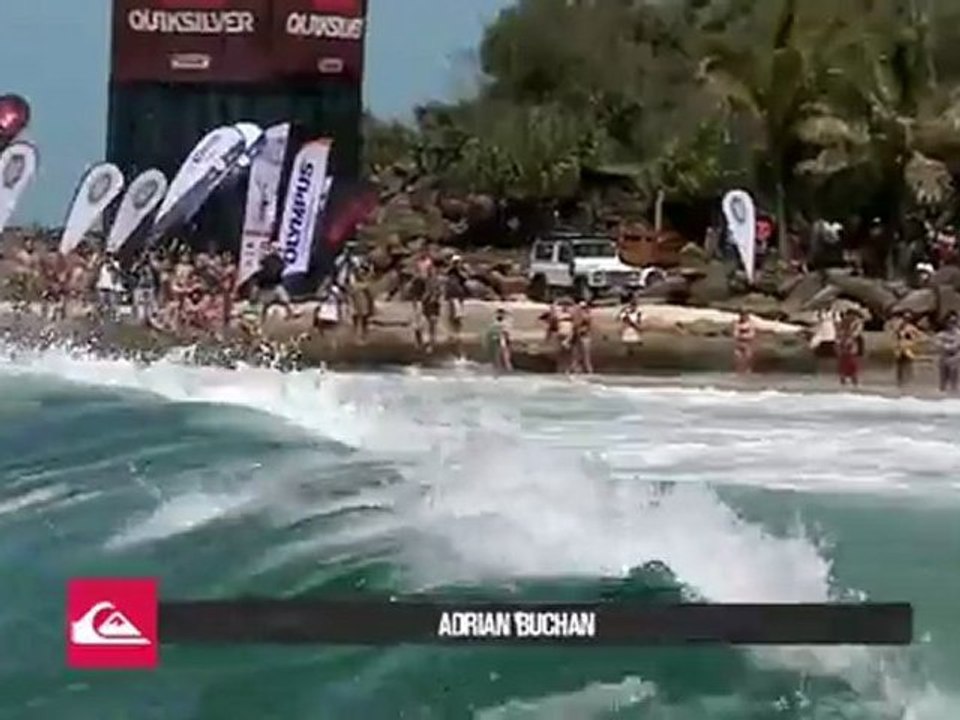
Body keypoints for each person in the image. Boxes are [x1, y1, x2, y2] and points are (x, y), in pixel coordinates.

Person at [254, 245, 293, 322]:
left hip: (273, 285)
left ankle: (290, 313)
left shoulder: (276, 260)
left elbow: (282, 267)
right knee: (265, 305)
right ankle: (261, 319)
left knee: (284, 301)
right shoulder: (269, 260)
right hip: (267, 286)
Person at [892, 312, 923, 388]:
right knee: (899, 366)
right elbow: (895, 337)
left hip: (908, 348)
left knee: (908, 364)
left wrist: (913, 340)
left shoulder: (911, 328)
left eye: (908, 318)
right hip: (900, 348)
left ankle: (909, 381)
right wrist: (895, 345)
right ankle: (900, 382)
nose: (906, 320)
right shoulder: (899, 327)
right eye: (905, 318)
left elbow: (920, 335)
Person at [836, 309, 864, 387]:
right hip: (845, 342)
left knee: (850, 360)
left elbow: (857, 332)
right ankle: (846, 379)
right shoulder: (843, 322)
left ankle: (852, 379)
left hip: (850, 342)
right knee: (845, 360)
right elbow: (839, 332)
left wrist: (849, 337)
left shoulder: (856, 322)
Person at [935, 312, 960, 393]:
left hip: (955, 359)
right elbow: (938, 344)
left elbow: (955, 346)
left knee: (954, 383)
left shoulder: (958, 334)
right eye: (950, 322)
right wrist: (946, 346)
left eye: (954, 322)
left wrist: (947, 346)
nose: (952, 324)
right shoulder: (941, 334)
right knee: (943, 382)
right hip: (943, 358)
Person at [486, 307, 513, 372]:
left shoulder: (502, 322)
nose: (499, 315)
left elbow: (506, 331)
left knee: (504, 354)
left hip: (502, 338)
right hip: (500, 339)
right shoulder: (499, 323)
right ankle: (503, 367)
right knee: (501, 354)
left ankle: (504, 367)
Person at [732, 310, 757, 374]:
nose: (743, 317)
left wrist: (745, 336)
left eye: (744, 316)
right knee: (738, 358)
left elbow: (752, 334)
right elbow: (735, 333)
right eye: (742, 316)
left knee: (748, 358)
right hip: (739, 342)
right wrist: (739, 336)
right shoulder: (737, 323)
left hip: (748, 343)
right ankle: (739, 370)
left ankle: (748, 370)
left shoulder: (751, 323)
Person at [574, 300, 594, 374]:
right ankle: (578, 370)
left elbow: (586, 325)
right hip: (578, 336)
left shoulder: (587, 315)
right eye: (581, 307)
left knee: (586, 356)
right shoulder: (578, 315)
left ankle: (589, 370)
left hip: (585, 337)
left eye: (583, 307)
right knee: (577, 355)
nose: (582, 309)